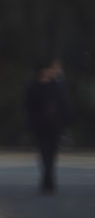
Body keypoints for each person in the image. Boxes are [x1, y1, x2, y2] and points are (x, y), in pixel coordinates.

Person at [25, 58, 71, 193]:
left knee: (52, 152)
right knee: (44, 152)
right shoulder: (33, 86)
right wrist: (29, 123)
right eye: (50, 69)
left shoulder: (57, 86)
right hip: (40, 124)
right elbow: (29, 106)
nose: (52, 72)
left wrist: (65, 122)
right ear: (43, 71)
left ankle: (48, 179)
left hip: (55, 124)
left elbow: (64, 105)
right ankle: (48, 179)